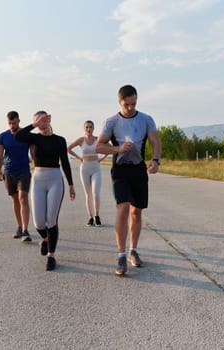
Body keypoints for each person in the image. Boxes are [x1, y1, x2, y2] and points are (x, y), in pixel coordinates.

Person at [96, 85, 162, 276]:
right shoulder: (112, 121)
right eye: (127, 104)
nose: (131, 108)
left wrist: (156, 160)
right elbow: (99, 146)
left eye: (134, 104)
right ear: (120, 102)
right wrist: (117, 149)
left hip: (139, 171)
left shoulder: (146, 119)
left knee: (136, 213)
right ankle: (121, 254)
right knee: (123, 209)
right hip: (120, 171)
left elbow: (155, 142)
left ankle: (133, 250)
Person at [15, 111, 76, 271]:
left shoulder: (60, 140)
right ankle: (46, 239)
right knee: (39, 222)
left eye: (43, 120)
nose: (41, 123)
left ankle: (51, 256)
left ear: (49, 120)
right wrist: (35, 125)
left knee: (52, 220)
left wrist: (70, 184)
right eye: (37, 121)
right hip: (38, 179)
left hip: (55, 179)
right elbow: (19, 136)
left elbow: (65, 163)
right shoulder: (33, 138)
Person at [0, 111, 32, 242]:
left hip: (24, 171)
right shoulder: (3, 136)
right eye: (10, 123)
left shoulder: (26, 135)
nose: (12, 126)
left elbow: (33, 150)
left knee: (23, 198)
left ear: (19, 121)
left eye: (14, 123)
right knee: (15, 199)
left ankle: (26, 230)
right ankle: (19, 226)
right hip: (9, 171)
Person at [68, 120, 107, 227]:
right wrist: (79, 158)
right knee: (88, 194)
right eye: (87, 127)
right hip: (84, 168)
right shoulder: (81, 140)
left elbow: (109, 147)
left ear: (93, 128)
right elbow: (68, 149)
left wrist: (102, 158)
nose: (89, 129)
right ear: (84, 129)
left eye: (91, 127)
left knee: (95, 193)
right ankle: (90, 217)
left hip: (96, 168)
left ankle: (97, 216)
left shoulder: (98, 139)